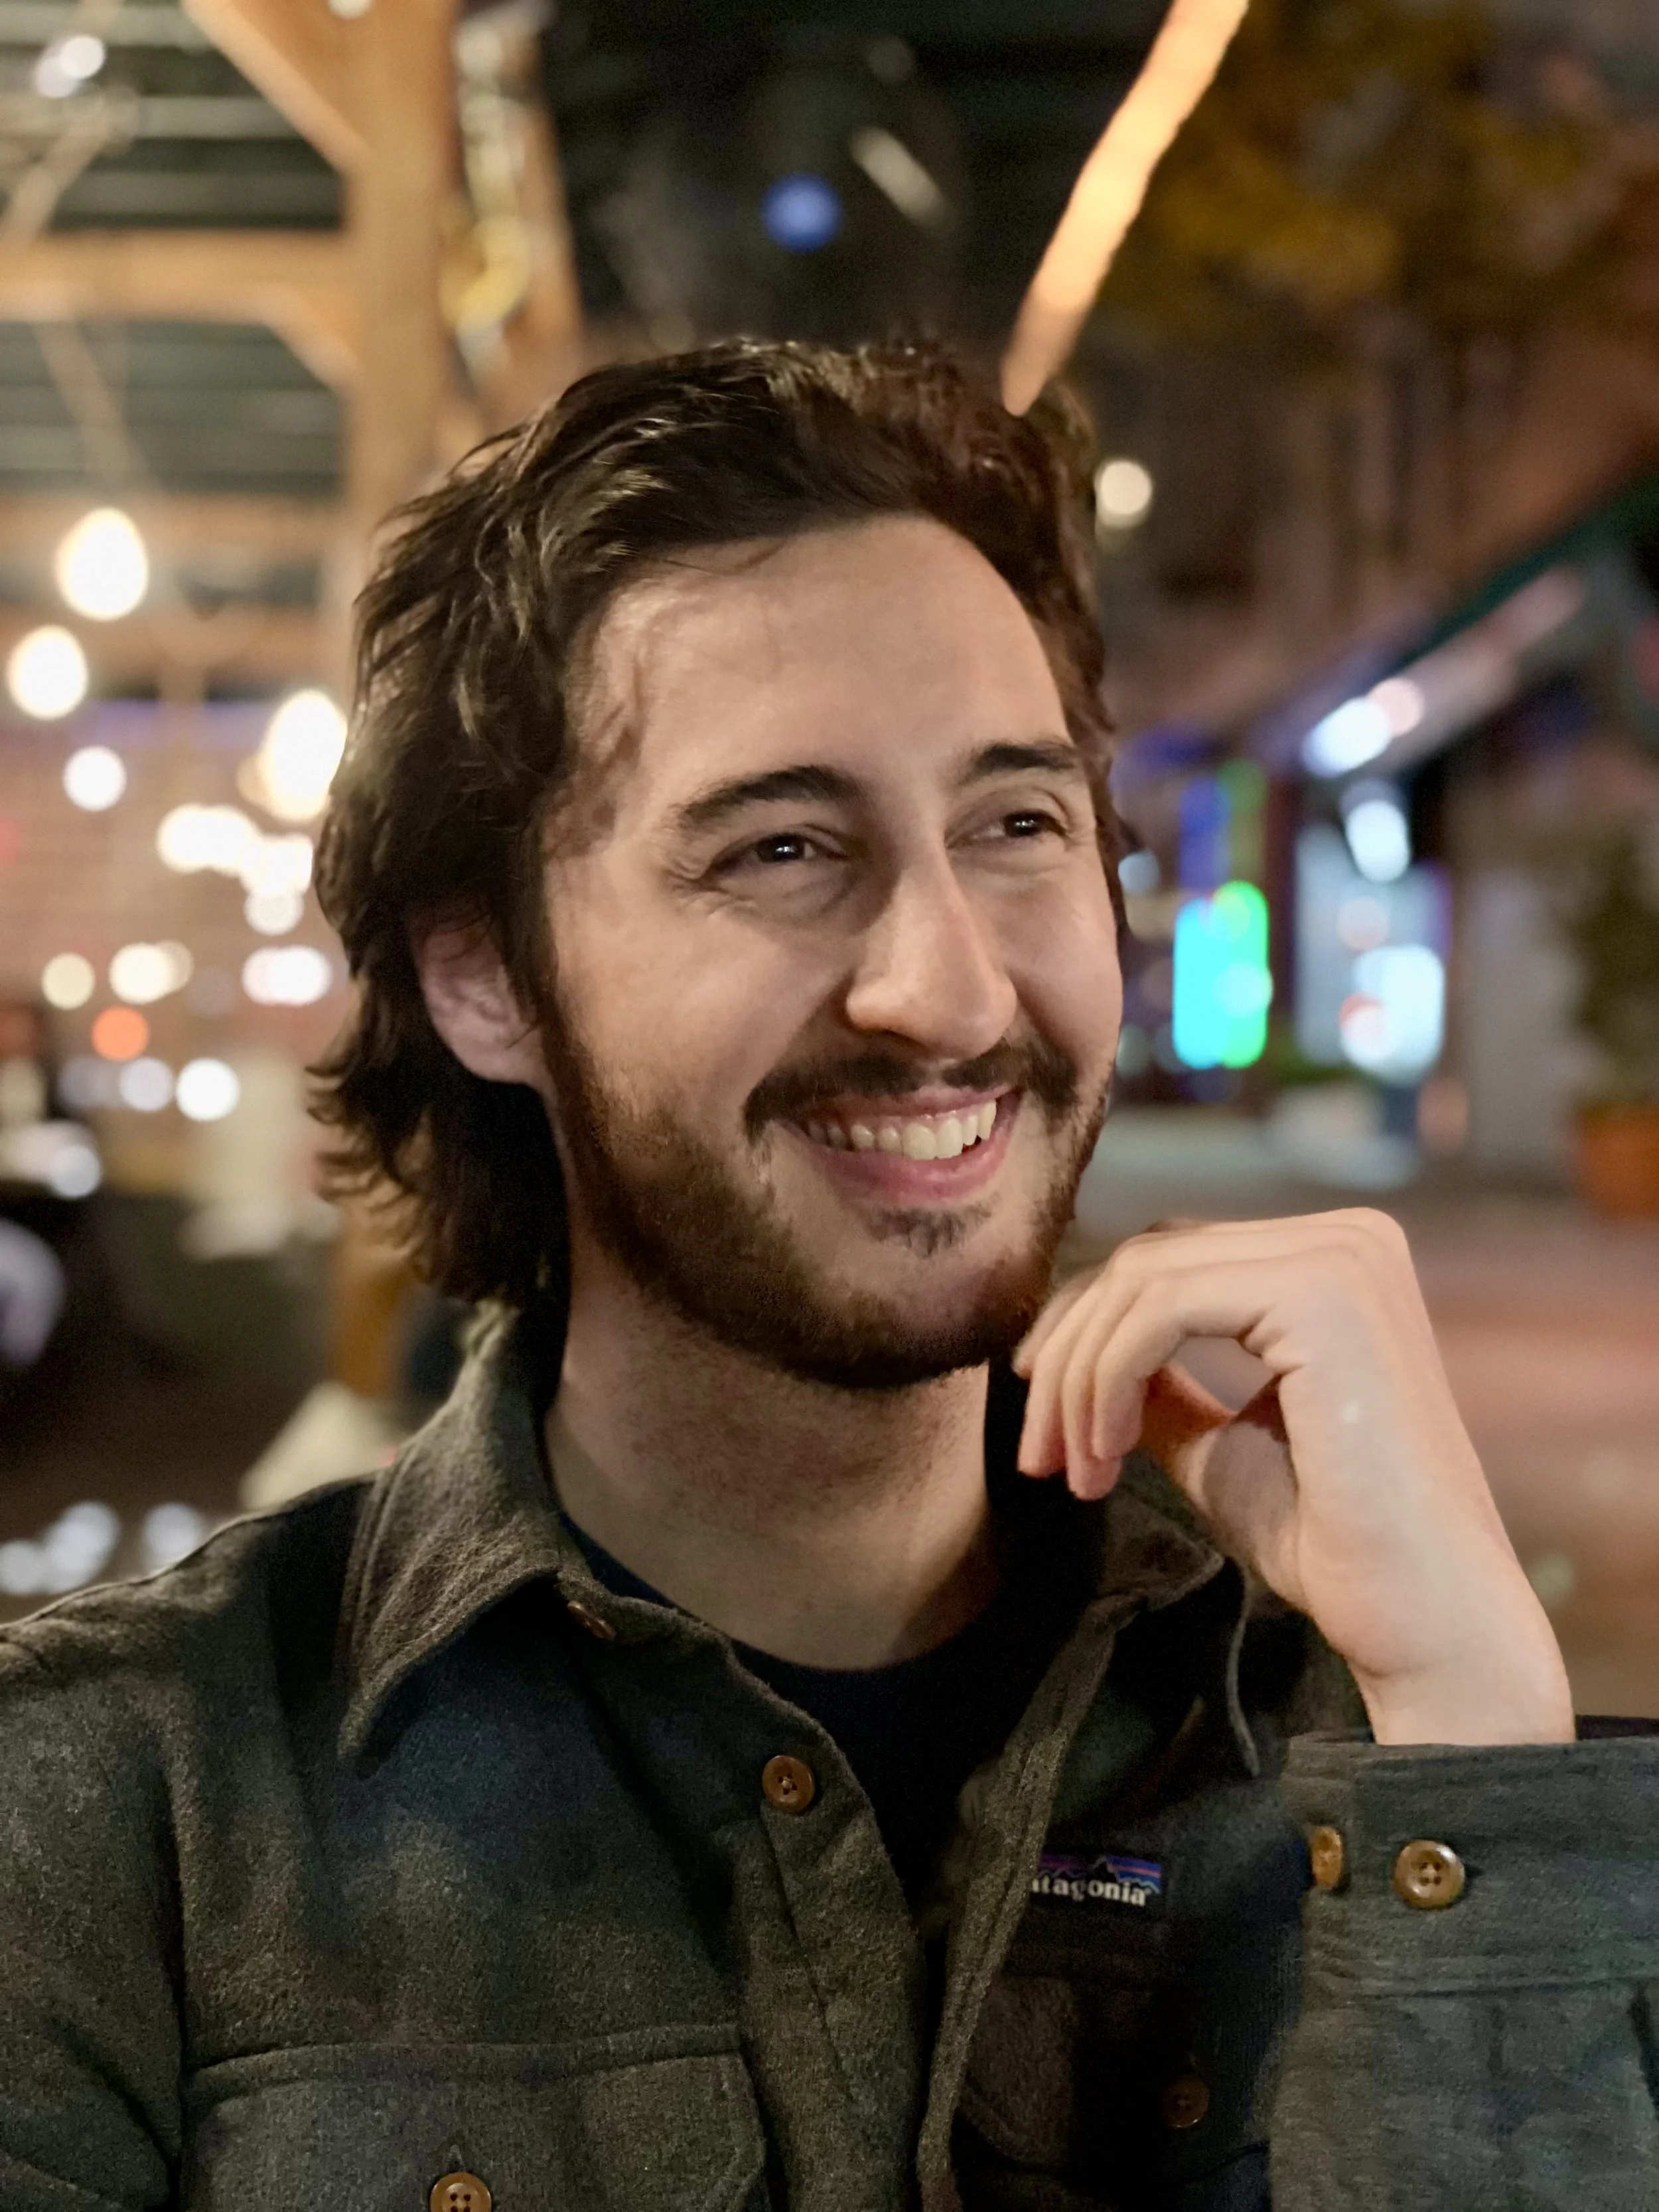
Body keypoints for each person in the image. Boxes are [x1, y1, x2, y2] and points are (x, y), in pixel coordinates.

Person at [0, 339, 1652, 2212]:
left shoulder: (1403, 1759)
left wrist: (1463, 1730)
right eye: (781, 848)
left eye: (1016, 826)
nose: (947, 989)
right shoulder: (114, 1814)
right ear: (482, 976)